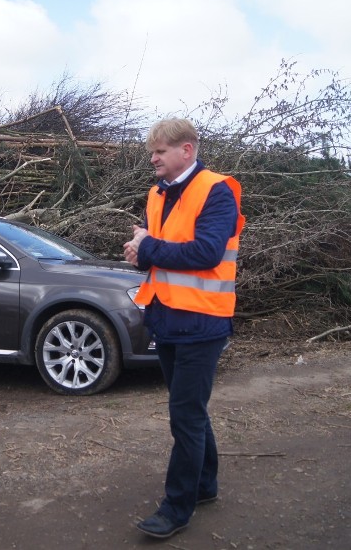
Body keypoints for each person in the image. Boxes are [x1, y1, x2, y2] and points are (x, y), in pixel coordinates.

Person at [123, 118, 245, 540]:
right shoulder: (156, 194)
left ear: (186, 150)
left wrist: (148, 246)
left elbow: (207, 252)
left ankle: (176, 507)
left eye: (160, 150)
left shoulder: (217, 189)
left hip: (203, 321)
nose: (153, 158)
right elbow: (158, 252)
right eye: (152, 151)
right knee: (188, 408)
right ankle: (205, 485)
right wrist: (139, 253)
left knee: (185, 416)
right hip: (168, 318)